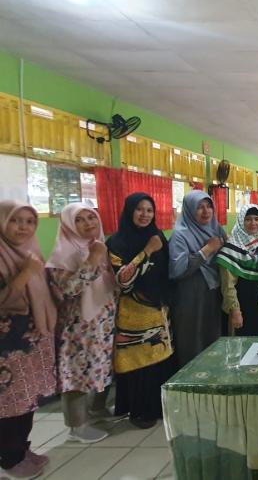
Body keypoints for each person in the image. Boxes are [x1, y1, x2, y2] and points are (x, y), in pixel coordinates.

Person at [46, 202, 118, 444]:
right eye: (79, 219)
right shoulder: (62, 255)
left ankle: (97, 409)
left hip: (102, 323)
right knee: (76, 374)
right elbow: (69, 288)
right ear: (68, 224)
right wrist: (92, 259)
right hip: (77, 327)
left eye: (91, 217)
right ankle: (77, 426)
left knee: (100, 368)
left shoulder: (101, 245)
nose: (88, 223)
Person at [106, 193, 175, 429]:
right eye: (139, 209)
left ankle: (159, 407)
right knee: (138, 364)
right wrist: (147, 251)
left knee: (159, 360)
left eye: (149, 210)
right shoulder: (116, 242)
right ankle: (139, 411)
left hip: (158, 310)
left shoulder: (157, 236)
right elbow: (124, 281)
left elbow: (167, 272)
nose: (145, 215)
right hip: (133, 314)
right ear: (129, 211)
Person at [0, 201, 57, 478]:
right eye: (15, 220)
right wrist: (25, 274)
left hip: (31, 341)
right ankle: (9, 459)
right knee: (9, 403)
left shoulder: (29, 251)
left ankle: (22, 449)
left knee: (27, 399)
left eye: (29, 221)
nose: (23, 227)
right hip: (7, 347)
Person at [168, 190, 226, 367]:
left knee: (213, 337)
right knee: (192, 340)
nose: (206, 211)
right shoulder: (180, 235)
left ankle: (213, 375)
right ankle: (191, 379)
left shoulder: (216, 229)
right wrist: (207, 250)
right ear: (189, 210)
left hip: (214, 292)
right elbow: (177, 270)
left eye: (209, 206)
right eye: (199, 207)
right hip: (191, 296)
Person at [216, 204, 258, 335]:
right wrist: (235, 311)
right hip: (241, 306)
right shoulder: (230, 249)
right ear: (241, 221)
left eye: (257, 219)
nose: (253, 223)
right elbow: (228, 285)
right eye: (248, 219)